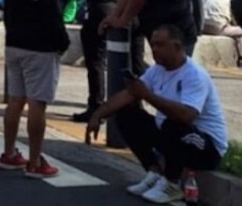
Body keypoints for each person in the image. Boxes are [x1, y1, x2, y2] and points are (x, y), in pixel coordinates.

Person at [86, 24, 228, 204]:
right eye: (152, 44)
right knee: (127, 114)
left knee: (173, 124)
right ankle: (154, 173)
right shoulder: (157, 70)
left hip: (206, 146)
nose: (154, 49)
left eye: (160, 45)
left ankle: (172, 184)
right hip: (174, 133)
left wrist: (147, 95)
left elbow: (187, 115)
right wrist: (98, 115)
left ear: (177, 47)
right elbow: (129, 95)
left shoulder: (194, 75)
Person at [0, 0, 70, 178]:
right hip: (40, 49)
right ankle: (36, 160)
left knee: (15, 100)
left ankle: (9, 153)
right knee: (37, 103)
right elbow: (54, 20)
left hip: (14, 44)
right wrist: (63, 44)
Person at [72, 0, 135, 122]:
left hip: (100, 11)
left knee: (96, 61)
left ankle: (96, 106)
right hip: (125, 12)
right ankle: (125, 104)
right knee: (126, 61)